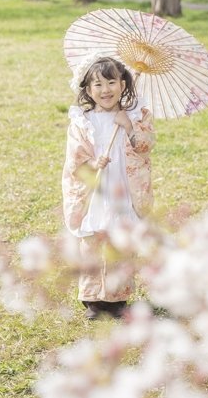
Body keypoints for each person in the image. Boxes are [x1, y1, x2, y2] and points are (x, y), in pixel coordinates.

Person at [62, 54, 155, 320]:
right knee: (93, 240)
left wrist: (130, 128)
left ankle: (118, 298)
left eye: (112, 82)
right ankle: (93, 299)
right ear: (88, 90)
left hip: (122, 187)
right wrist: (94, 162)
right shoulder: (83, 121)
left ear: (123, 84)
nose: (106, 90)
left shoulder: (135, 115)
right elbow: (75, 159)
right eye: (98, 85)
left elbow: (147, 145)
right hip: (95, 188)